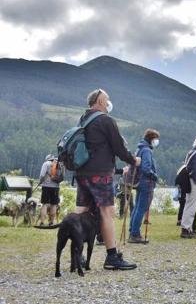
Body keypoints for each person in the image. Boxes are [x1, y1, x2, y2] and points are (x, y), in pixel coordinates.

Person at [75, 89, 140, 270]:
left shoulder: (83, 119)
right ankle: (112, 257)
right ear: (101, 101)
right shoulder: (106, 120)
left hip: (82, 172)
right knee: (107, 212)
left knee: (81, 211)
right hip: (101, 173)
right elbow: (118, 147)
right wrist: (133, 160)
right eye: (108, 98)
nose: (109, 101)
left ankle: (77, 254)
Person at [128, 129, 160, 244]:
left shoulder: (140, 149)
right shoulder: (146, 150)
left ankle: (132, 231)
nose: (157, 141)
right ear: (152, 139)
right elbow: (146, 168)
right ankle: (135, 234)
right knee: (141, 208)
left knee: (137, 207)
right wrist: (154, 176)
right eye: (156, 139)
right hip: (147, 182)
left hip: (140, 182)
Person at [39, 155, 64, 226]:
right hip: (56, 187)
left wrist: (40, 182)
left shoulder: (46, 164)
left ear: (47, 159)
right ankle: (52, 222)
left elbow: (42, 175)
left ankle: (42, 222)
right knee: (54, 204)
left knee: (44, 204)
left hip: (46, 186)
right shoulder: (59, 164)